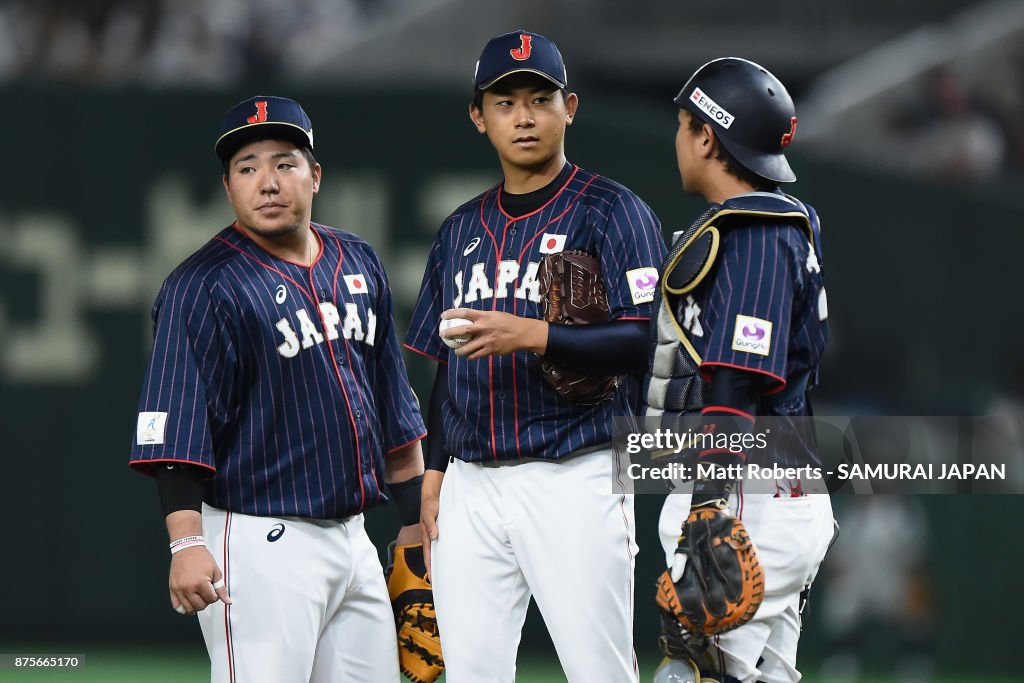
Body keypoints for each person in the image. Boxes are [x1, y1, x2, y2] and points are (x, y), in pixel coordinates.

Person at [129, 95, 427, 683]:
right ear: (228, 186)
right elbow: (174, 425)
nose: (267, 181)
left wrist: (416, 531)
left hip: (355, 540)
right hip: (259, 541)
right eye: (248, 168)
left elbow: (393, 410)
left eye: (284, 163)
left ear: (315, 176)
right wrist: (184, 544)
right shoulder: (202, 286)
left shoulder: (357, 260)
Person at [403, 30, 667, 683]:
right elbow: (447, 363)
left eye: (540, 98)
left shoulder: (614, 211)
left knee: (599, 671)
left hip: (574, 471)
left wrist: (535, 334)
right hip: (470, 483)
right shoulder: (459, 229)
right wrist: (434, 476)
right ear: (479, 116)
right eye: (505, 101)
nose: (524, 116)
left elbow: (645, 341)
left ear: (569, 107)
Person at [643, 58, 836, 683]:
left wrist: (709, 509)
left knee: (692, 673)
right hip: (776, 488)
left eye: (683, 124)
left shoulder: (753, 235)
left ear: (707, 136)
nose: (677, 137)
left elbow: (735, 387)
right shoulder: (772, 226)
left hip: (747, 493)